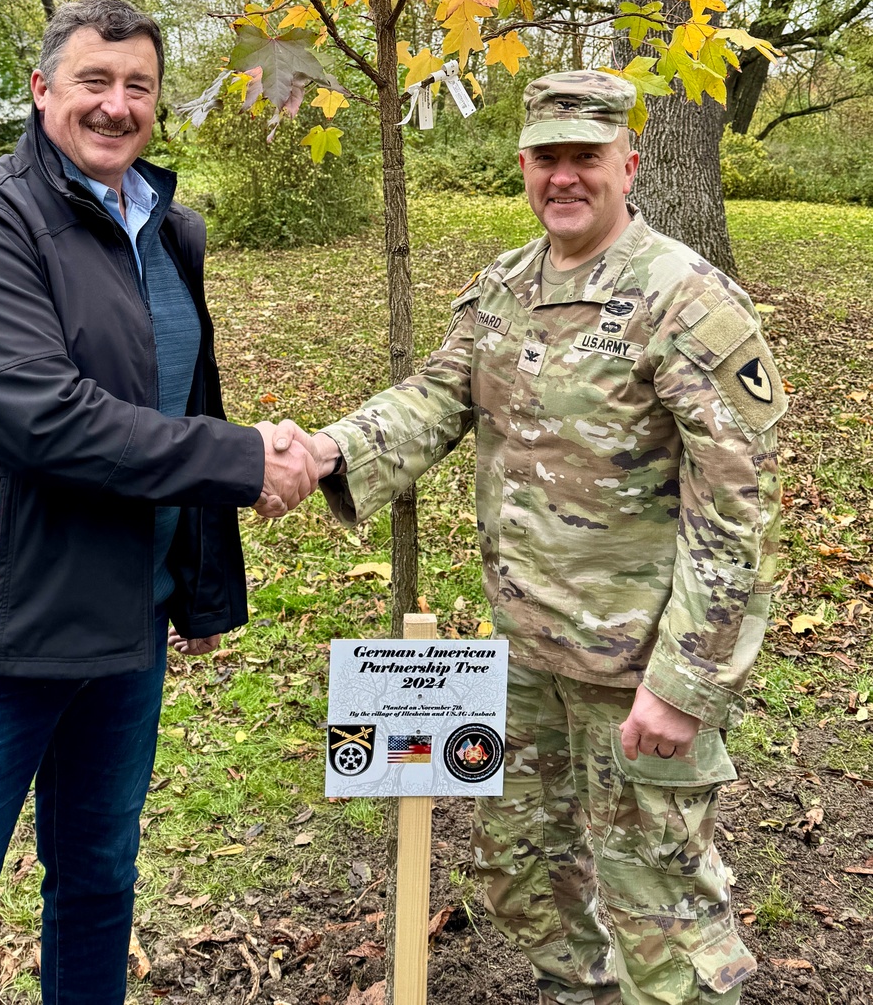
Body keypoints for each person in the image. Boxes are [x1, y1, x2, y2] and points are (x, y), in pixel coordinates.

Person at [303, 71, 786, 1005]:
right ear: (524, 165)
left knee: (663, 912)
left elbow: (735, 514)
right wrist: (324, 451)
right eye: (548, 158)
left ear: (629, 165)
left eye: (586, 158)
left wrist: (683, 686)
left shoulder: (685, 299)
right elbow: (433, 397)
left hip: (635, 670)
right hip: (525, 656)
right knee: (521, 874)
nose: (565, 177)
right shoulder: (506, 288)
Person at [0, 0, 317, 1005]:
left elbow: (178, 399)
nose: (116, 106)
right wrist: (247, 460)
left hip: (122, 637)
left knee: (98, 892)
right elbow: (46, 418)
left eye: (138, 87)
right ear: (42, 93)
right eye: (93, 82)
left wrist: (197, 589)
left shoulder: (166, 229)